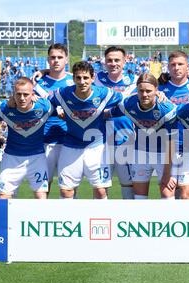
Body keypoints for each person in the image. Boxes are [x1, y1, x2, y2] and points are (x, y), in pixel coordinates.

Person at [49, 61, 123, 200]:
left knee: (101, 191)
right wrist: (56, 111)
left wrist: (109, 113)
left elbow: (124, 103)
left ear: (92, 78)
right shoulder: (62, 94)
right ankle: (71, 221)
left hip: (97, 147)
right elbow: (46, 105)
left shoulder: (104, 93)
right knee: (66, 192)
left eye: (85, 78)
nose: (82, 81)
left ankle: (100, 222)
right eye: (78, 78)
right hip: (71, 145)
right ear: (73, 79)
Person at [108, 73, 178, 199]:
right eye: (141, 91)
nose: (144, 94)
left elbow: (171, 143)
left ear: (157, 90)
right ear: (137, 90)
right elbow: (108, 114)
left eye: (148, 91)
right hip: (140, 153)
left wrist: (167, 173)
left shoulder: (167, 109)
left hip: (164, 155)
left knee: (168, 196)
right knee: (139, 199)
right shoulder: (128, 104)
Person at [0, 77, 55, 199]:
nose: (22, 98)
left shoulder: (45, 107)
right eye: (18, 94)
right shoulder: (4, 109)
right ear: (13, 95)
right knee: (4, 198)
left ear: (33, 94)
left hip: (37, 157)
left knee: (41, 197)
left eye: (26, 94)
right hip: (11, 158)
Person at [157, 50, 189, 199]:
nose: (176, 68)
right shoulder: (159, 89)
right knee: (168, 191)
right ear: (168, 67)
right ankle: (172, 222)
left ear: (187, 66)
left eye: (180, 64)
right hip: (168, 146)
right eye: (173, 64)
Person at [93, 46, 137, 199]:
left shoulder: (135, 81)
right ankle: (100, 221)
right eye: (109, 60)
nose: (113, 63)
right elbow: (72, 76)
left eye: (117, 60)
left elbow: (152, 89)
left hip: (126, 140)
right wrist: (45, 72)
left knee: (128, 185)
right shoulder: (95, 78)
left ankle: (127, 220)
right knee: (100, 188)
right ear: (104, 62)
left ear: (125, 62)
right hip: (99, 142)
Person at [34, 44, 73, 195]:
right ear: (48, 59)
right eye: (53, 57)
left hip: (69, 140)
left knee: (68, 188)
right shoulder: (37, 82)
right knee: (44, 187)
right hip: (45, 140)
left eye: (60, 57)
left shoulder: (75, 81)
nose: (56, 60)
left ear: (66, 59)